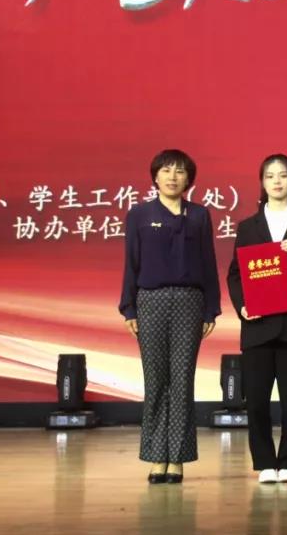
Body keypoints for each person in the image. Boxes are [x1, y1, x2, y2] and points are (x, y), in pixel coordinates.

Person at [119, 149, 220, 484]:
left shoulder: (199, 215)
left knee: (181, 380)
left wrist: (211, 307)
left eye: (179, 171)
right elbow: (131, 262)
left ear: (189, 178)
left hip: (190, 302)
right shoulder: (139, 214)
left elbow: (208, 263)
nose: (172, 177)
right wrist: (129, 306)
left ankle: (176, 458)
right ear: (155, 176)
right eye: (166, 170)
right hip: (150, 301)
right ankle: (155, 456)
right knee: (156, 380)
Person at [227, 153, 287, 484]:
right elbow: (235, 275)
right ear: (262, 182)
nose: (277, 181)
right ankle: (265, 462)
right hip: (257, 324)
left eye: (283, 175)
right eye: (270, 176)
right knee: (256, 401)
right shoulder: (248, 227)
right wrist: (242, 306)